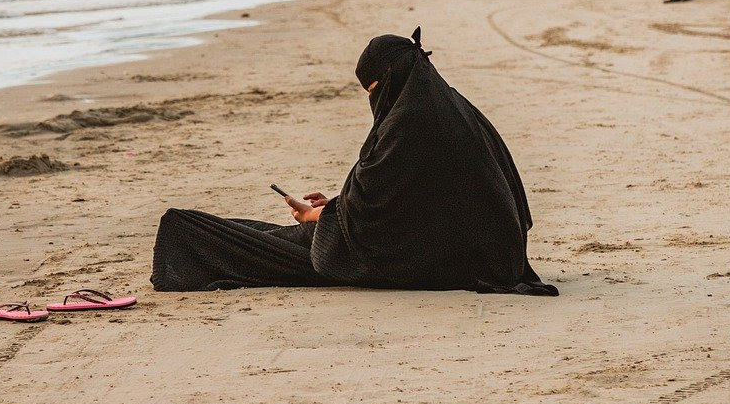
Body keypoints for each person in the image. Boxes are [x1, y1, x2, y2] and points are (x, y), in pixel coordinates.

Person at [148, 28, 558, 296]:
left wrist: (315, 218)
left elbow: (377, 214)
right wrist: (336, 207)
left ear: (390, 79)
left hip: (433, 258)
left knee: (273, 248)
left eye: (373, 89)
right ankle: (189, 234)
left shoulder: (409, 124)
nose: (372, 101)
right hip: (481, 253)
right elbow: (409, 198)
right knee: (277, 239)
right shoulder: (449, 108)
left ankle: (183, 237)